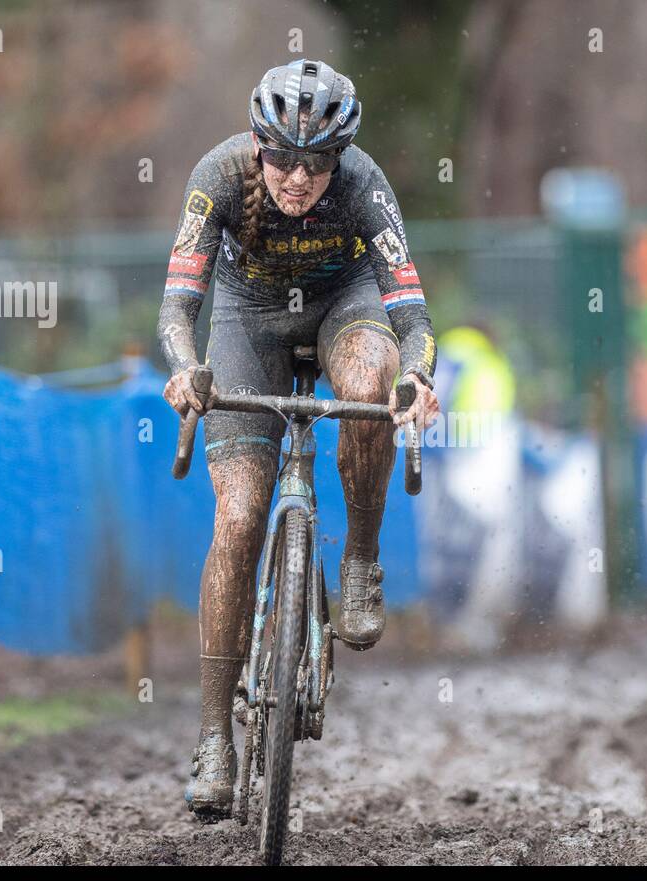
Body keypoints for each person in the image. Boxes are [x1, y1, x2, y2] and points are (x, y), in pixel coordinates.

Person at [157, 60, 440, 819]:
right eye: (280, 158)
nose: (294, 178)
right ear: (257, 147)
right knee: (241, 517)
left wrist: (416, 381)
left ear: (338, 159)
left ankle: (359, 560)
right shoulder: (216, 175)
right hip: (247, 323)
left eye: (314, 164)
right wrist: (186, 371)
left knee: (365, 388)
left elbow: (413, 318)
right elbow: (178, 308)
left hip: (342, 310)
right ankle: (215, 737)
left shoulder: (364, 186)